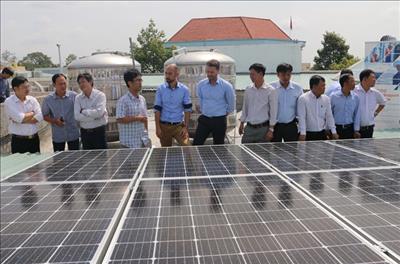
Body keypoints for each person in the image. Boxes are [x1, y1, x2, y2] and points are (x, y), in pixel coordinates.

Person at [193, 59, 235, 145]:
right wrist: (201, 108)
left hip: (219, 120)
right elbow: (200, 98)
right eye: (207, 72)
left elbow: (231, 103)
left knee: (219, 146)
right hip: (204, 119)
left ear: (218, 71)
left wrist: (224, 113)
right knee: (196, 143)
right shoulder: (201, 84)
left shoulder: (226, 86)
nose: (209, 74)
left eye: (212, 72)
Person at [154, 64, 192, 147]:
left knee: (188, 148)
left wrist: (185, 128)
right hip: (164, 126)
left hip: (178, 126)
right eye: (166, 73)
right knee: (166, 151)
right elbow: (157, 109)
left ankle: (190, 160)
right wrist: (157, 128)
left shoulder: (184, 89)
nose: (167, 76)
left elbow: (187, 110)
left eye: (170, 74)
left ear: (177, 74)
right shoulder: (160, 89)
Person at [239, 63, 277, 143]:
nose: (250, 76)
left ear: (260, 74)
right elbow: (245, 107)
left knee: (262, 154)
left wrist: (271, 130)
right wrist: (241, 123)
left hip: (263, 129)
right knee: (245, 153)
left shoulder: (270, 90)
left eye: (253, 74)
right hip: (249, 128)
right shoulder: (248, 89)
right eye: (250, 74)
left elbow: (273, 111)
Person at [42, 73, 80, 152]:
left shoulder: (74, 96)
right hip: (58, 135)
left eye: (64, 83)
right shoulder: (48, 100)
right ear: (54, 85)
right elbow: (44, 115)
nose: (63, 86)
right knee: (59, 160)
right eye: (60, 84)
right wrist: (55, 121)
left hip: (73, 133)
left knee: (75, 158)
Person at [4, 76, 43, 153]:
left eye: (28, 86)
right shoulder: (9, 102)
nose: (27, 89)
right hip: (19, 141)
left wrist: (21, 120)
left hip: (34, 140)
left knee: (36, 164)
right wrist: (32, 113)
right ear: (15, 88)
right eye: (24, 87)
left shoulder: (32, 100)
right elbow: (19, 118)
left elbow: (40, 116)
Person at [297, 75, 338, 141]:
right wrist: (303, 133)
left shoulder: (326, 99)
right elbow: (302, 117)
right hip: (308, 133)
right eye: (322, 86)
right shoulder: (303, 98)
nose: (324, 88)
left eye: (325, 85)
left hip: (321, 133)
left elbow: (329, 116)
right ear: (314, 86)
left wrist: (334, 132)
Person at [116, 69, 149, 148]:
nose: (140, 82)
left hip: (142, 142)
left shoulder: (142, 99)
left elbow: (145, 118)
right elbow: (120, 119)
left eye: (141, 80)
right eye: (138, 80)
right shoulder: (123, 101)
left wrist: (146, 135)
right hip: (129, 144)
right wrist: (137, 118)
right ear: (129, 83)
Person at [269, 63, 303, 142]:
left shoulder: (297, 88)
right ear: (278, 75)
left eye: (288, 74)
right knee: (275, 150)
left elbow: (301, 108)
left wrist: (301, 128)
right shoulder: (271, 88)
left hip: (291, 125)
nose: (286, 77)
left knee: (292, 150)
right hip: (275, 126)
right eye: (283, 75)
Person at [74, 72, 108, 149]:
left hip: (99, 132)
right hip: (85, 133)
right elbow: (77, 116)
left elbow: (99, 112)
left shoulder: (100, 95)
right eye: (79, 83)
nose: (81, 85)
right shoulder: (78, 98)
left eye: (83, 82)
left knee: (102, 158)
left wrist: (84, 111)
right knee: (88, 158)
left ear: (90, 82)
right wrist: (95, 117)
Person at [354, 69, 386, 138]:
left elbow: (383, 102)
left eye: (375, 78)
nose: (375, 80)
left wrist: (375, 113)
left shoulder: (375, 92)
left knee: (368, 148)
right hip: (354, 128)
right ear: (364, 79)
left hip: (369, 128)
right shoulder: (354, 91)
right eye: (372, 78)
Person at [329, 74, 361, 139]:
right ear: (345, 83)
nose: (354, 84)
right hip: (337, 129)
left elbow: (357, 114)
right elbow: (329, 115)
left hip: (350, 129)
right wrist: (332, 131)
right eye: (352, 81)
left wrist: (356, 130)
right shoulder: (333, 97)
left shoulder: (355, 97)